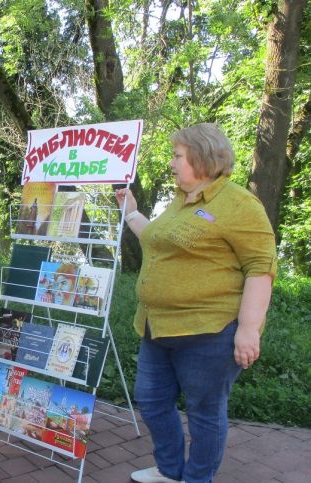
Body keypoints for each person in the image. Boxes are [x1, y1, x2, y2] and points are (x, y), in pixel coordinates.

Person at [115, 123, 276, 483]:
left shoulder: (238, 204)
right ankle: (171, 470)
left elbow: (260, 268)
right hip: (156, 326)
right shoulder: (180, 200)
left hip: (209, 331)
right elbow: (157, 240)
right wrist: (130, 212)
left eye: (177, 156)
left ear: (202, 157)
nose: (171, 163)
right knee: (152, 401)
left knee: (205, 413)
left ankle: (197, 478)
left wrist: (249, 329)